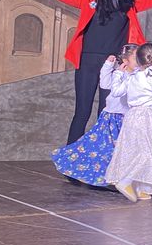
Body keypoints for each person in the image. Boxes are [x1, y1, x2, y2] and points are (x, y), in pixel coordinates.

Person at [51, 0, 152, 144]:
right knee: (82, 111)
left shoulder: (129, 4)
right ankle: (72, 156)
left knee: (106, 112)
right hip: (87, 62)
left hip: (114, 65)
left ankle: (102, 156)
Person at [51, 44, 137, 186]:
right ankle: (91, 174)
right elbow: (105, 85)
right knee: (102, 149)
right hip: (111, 118)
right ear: (126, 60)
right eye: (136, 57)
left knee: (120, 151)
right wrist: (108, 66)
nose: (139, 60)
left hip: (127, 118)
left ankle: (116, 178)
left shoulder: (138, 76)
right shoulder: (118, 74)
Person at [105, 43, 152, 202]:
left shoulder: (132, 77)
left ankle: (140, 188)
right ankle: (126, 181)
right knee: (149, 153)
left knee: (137, 151)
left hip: (131, 117)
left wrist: (119, 73)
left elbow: (116, 91)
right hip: (147, 118)